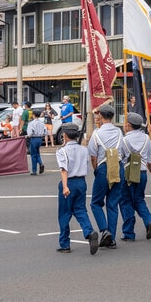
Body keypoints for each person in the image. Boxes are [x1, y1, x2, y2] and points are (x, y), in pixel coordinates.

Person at [56, 123, 99, 255]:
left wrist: (64, 186)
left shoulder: (62, 151)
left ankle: (65, 243)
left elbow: (64, 170)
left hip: (69, 182)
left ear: (65, 135)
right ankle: (89, 231)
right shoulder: (83, 149)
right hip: (81, 182)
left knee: (64, 213)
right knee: (80, 210)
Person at [88, 104, 124, 250]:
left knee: (96, 202)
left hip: (103, 166)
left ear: (101, 117)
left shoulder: (97, 133)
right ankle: (112, 238)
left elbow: (93, 155)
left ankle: (104, 230)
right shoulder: (119, 131)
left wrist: (96, 169)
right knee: (112, 203)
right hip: (118, 165)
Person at [119, 112, 151, 241]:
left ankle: (129, 232)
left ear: (128, 125)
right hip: (142, 172)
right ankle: (149, 220)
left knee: (126, 201)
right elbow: (150, 157)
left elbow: (121, 157)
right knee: (139, 199)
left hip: (128, 172)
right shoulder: (146, 138)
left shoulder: (124, 140)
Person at [27, 108, 47, 175]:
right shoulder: (42, 123)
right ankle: (40, 164)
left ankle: (35, 170)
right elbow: (45, 132)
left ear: (33, 115)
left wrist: (27, 136)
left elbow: (30, 133)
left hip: (34, 139)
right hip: (40, 139)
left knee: (33, 155)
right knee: (37, 153)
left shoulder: (31, 123)